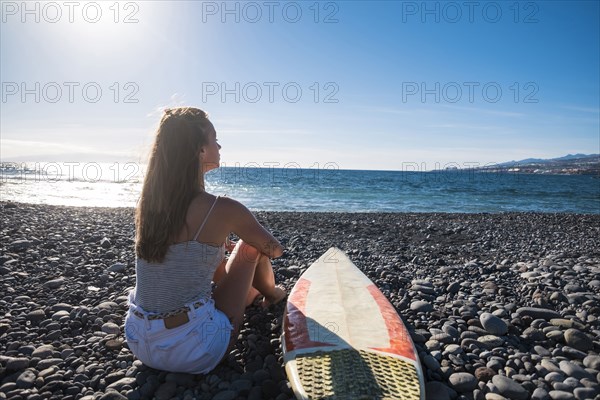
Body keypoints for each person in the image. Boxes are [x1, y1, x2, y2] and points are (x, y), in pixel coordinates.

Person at [124, 107, 286, 374]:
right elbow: (275, 249)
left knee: (216, 260)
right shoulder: (221, 208)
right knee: (250, 247)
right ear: (199, 150)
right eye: (214, 138)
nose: (220, 145)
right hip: (194, 349)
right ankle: (273, 295)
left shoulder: (149, 204)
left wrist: (218, 249)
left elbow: (187, 263)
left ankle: (255, 294)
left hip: (139, 340)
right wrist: (242, 245)